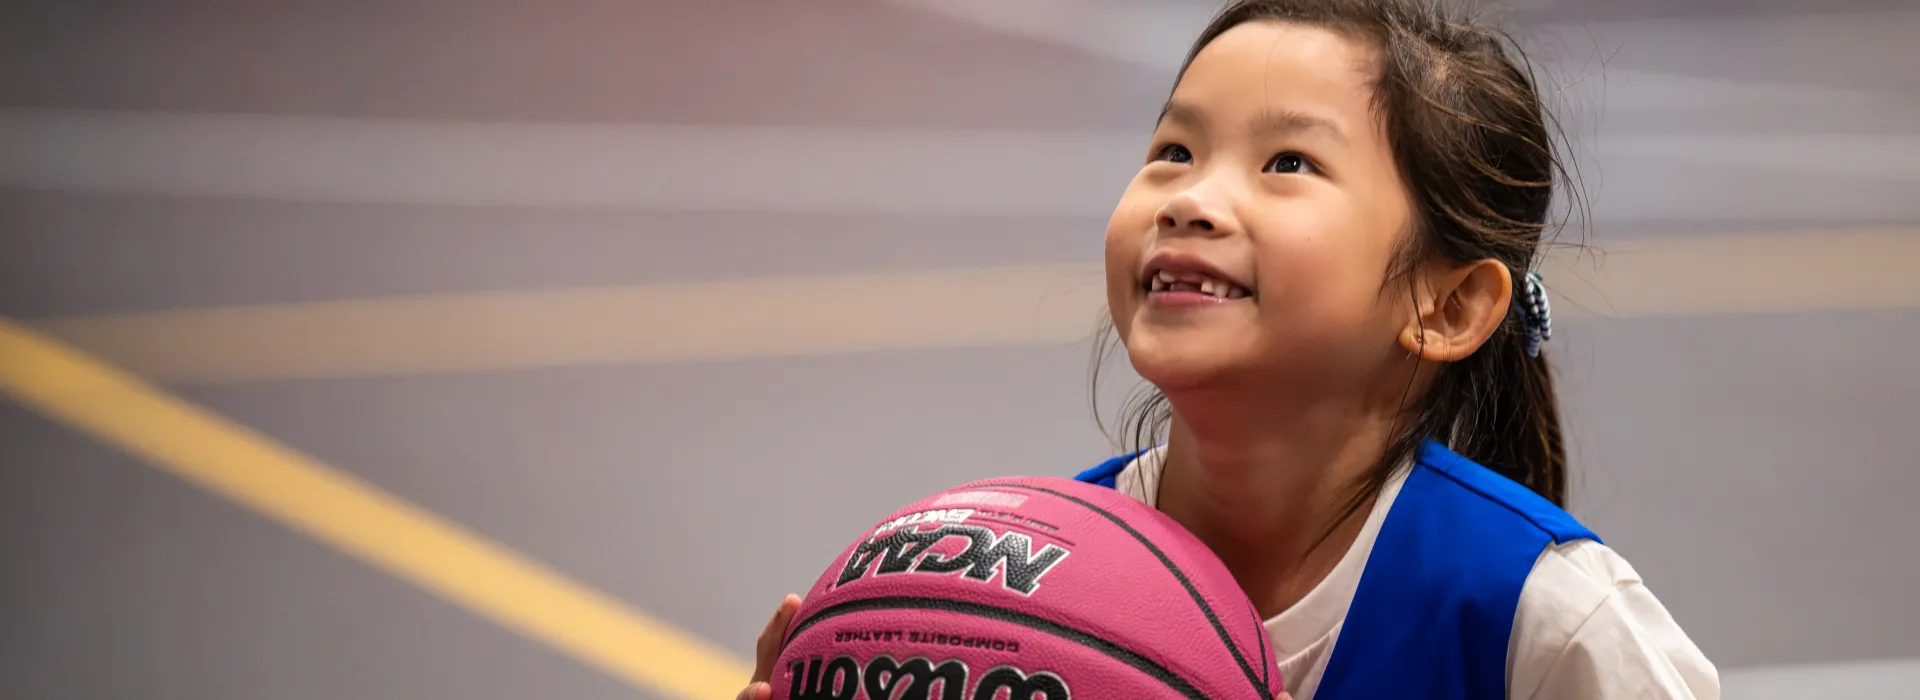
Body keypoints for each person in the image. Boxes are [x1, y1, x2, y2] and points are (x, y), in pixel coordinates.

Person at [738, 0, 1719, 697]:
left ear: (1450, 304)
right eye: (1174, 150)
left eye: (1287, 161)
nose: (1191, 198)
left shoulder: (1545, 621)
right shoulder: (1023, 585)